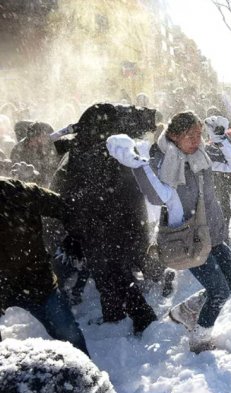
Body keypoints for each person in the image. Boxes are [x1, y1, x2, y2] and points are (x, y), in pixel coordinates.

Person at [107, 112, 231, 353]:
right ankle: (199, 341)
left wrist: (222, 138)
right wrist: (138, 165)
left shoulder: (200, 155)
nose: (197, 140)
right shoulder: (161, 161)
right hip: (186, 240)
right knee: (219, 292)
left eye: (199, 134)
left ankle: (188, 310)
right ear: (173, 136)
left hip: (211, 233)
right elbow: (157, 196)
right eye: (190, 135)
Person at [51, 103, 158, 335]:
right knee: (111, 273)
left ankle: (143, 316)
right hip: (121, 219)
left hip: (100, 224)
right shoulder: (115, 143)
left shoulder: (90, 150)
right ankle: (113, 315)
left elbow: (79, 190)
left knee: (112, 274)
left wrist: (75, 218)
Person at [0, 177, 89, 356]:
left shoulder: (22, 193)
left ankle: (88, 376)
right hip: (2, 284)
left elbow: (65, 208)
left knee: (68, 331)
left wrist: (75, 238)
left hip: (36, 279)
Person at [10, 121, 59, 186]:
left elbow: (54, 177)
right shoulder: (19, 149)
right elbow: (15, 172)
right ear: (29, 138)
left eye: (44, 140)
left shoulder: (55, 148)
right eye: (36, 141)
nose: (41, 144)